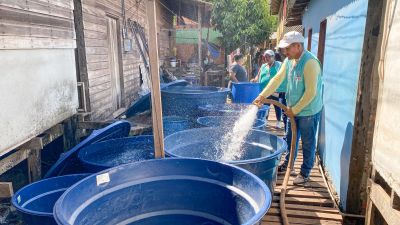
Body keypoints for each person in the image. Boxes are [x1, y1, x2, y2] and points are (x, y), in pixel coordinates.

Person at [253, 31, 323, 185]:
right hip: (293, 108)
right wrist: (262, 96)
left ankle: (305, 173)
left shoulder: (310, 63)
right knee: (291, 138)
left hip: (308, 111)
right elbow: (277, 79)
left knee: (308, 142)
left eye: (287, 48)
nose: (284, 52)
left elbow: (311, 92)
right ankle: (288, 164)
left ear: (298, 46)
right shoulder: (289, 61)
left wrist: (296, 110)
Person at [251, 50, 286, 128]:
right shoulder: (263, 66)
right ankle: (265, 120)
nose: (267, 58)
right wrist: (255, 79)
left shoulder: (279, 65)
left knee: (277, 106)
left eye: (269, 56)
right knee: (266, 106)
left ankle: (278, 122)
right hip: (264, 90)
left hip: (275, 90)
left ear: (273, 57)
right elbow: (258, 75)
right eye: (265, 56)